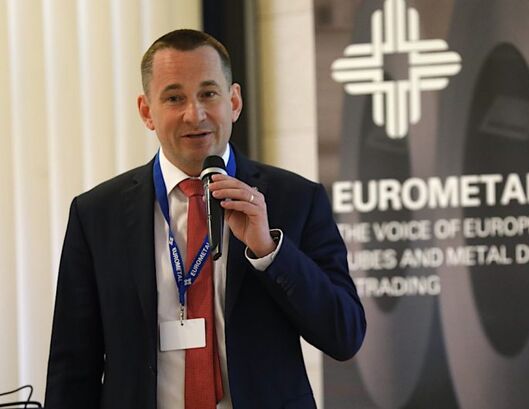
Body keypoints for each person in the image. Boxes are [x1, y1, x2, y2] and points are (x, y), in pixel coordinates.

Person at [44, 29, 365, 409]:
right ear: (146, 111)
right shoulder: (97, 214)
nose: (194, 114)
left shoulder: (296, 199)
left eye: (209, 94)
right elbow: (72, 366)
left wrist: (269, 251)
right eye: (174, 98)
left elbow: (344, 335)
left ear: (234, 101)